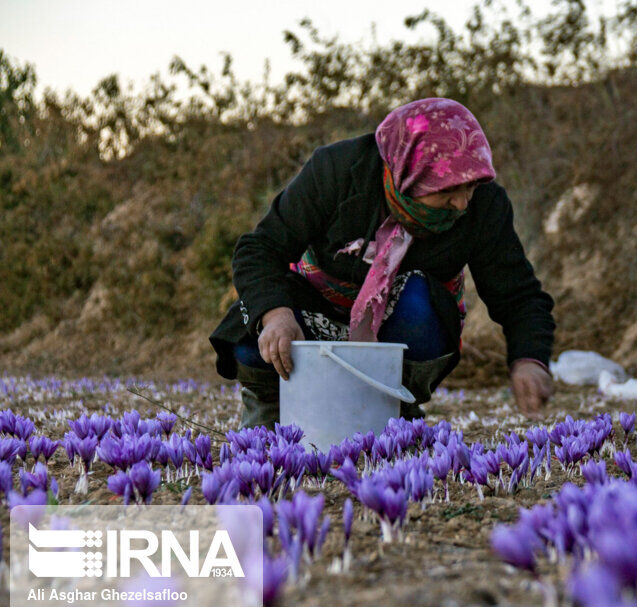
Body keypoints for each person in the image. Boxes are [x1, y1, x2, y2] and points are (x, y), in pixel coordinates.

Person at [209, 98, 556, 426]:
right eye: (448, 190)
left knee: (421, 302)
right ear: (410, 173)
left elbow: (518, 296)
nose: (462, 204)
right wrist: (277, 315)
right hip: (316, 312)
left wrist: (529, 359)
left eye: (471, 187)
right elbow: (259, 249)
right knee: (256, 331)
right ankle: (273, 406)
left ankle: (396, 408)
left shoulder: (484, 207)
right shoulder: (337, 171)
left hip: (398, 322)